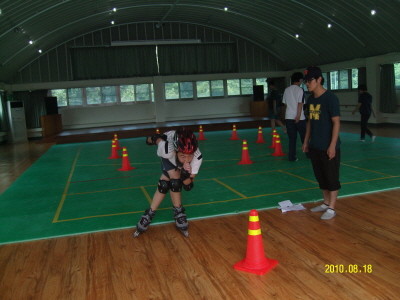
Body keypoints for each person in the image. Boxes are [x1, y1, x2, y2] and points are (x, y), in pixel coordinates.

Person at [134, 127, 203, 237]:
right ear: (176, 151)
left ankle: (151, 212)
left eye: (190, 156)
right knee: (174, 181)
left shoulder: (197, 157)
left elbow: (188, 186)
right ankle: (174, 212)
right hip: (168, 156)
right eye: (183, 156)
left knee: (165, 184)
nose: (187, 160)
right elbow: (156, 139)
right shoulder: (167, 149)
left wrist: (185, 176)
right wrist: (149, 140)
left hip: (174, 156)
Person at [301, 66, 341, 220]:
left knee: (331, 177)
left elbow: (336, 123)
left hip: (328, 145)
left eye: (310, 80)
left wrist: (332, 146)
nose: (307, 84)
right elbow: (310, 121)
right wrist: (306, 141)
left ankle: (332, 208)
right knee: (321, 176)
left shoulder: (330, 98)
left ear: (319, 79)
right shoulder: (311, 99)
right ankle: (325, 203)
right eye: (305, 81)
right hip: (315, 145)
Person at [282, 72, 309, 161]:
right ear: (300, 80)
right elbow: (300, 103)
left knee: (292, 139)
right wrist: (298, 115)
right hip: (300, 118)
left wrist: (291, 110)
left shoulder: (287, 89)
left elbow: (285, 103)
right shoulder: (300, 90)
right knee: (304, 137)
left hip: (289, 117)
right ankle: (308, 155)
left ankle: (291, 157)